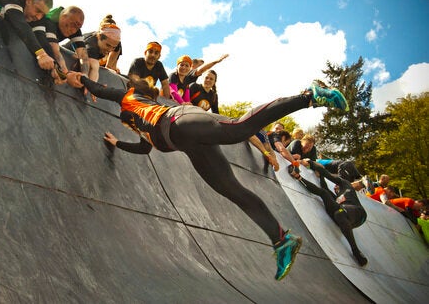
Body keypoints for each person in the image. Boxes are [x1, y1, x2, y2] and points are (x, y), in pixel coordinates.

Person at [66, 72, 350, 280]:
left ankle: (310, 96)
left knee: (238, 129)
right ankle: (281, 239)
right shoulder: (133, 121)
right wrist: (117, 144)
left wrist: (79, 78)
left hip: (181, 121)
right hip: (189, 145)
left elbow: (102, 90)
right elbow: (144, 149)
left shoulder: (130, 96)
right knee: (230, 189)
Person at [288, 160, 368, 266]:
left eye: (335, 186)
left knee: (340, 211)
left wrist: (311, 163)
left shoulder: (345, 185)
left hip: (358, 214)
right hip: (343, 215)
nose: (334, 188)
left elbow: (327, 174)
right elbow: (323, 188)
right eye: (334, 188)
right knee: (325, 194)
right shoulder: (336, 198)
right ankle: (298, 177)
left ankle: (355, 250)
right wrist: (319, 176)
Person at [65, 14, 121, 84]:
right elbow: (94, 67)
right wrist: (91, 86)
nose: (110, 49)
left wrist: (110, 70)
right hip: (66, 54)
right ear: (99, 37)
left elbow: (109, 66)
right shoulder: (92, 45)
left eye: (113, 47)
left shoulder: (116, 43)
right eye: (107, 45)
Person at [33, 5, 86, 79]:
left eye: (77, 28)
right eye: (72, 25)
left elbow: (83, 55)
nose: (73, 30)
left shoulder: (75, 25)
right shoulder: (51, 20)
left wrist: (84, 76)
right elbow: (54, 49)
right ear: (64, 17)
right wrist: (65, 73)